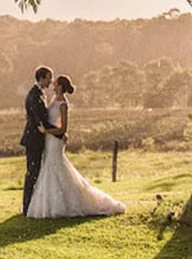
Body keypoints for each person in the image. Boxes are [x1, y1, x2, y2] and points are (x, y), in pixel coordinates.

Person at [25, 75, 126, 218]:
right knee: (49, 166)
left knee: (56, 166)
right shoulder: (53, 100)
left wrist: (46, 131)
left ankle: (63, 204)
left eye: (55, 82)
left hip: (55, 140)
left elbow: (63, 129)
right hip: (49, 140)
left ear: (59, 86)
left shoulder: (63, 104)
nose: (52, 83)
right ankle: (48, 204)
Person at [20, 65, 55, 215]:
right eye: (49, 78)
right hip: (33, 139)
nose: (51, 81)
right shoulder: (34, 95)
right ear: (41, 78)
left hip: (37, 138)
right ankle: (27, 207)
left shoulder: (39, 93)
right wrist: (59, 132)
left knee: (35, 171)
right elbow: (38, 119)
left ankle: (31, 205)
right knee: (32, 172)